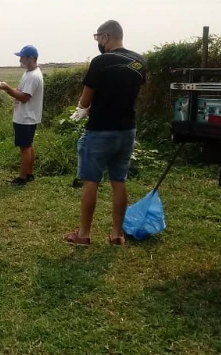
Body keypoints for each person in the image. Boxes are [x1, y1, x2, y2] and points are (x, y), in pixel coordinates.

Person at [64, 20, 147, 247]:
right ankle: (117, 235)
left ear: (106, 37)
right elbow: (127, 95)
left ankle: (83, 234)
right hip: (127, 130)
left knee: (91, 181)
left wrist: (86, 107)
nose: (98, 42)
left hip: (100, 131)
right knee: (119, 181)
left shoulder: (101, 61)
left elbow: (84, 100)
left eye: (97, 37)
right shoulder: (139, 61)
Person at [0, 45, 44, 186]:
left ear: (31, 58)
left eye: (22, 57)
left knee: (25, 148)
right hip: (27, 116)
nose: (20, 60)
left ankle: (22, 178)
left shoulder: (33, 76)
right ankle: (29, 174)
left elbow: (24, 97)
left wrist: (7, 89)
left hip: (26, 118)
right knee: (29, 145)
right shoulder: (29, 73)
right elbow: (21, 91)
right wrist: (13, 92)